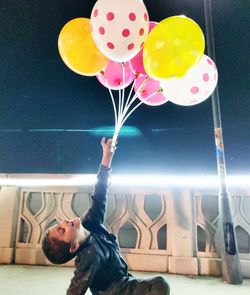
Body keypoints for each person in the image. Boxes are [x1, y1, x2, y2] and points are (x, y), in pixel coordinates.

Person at [42, 138, 170, 295]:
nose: (63, 222)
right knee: (159, 285)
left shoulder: (90, 222)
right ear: (74, 246)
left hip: (125, 281)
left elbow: (100, 194)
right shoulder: (88, 257)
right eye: (62, 230)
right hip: (118, 291)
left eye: (59, 225)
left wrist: (106, 158)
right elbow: (75, 290)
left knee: (157, 284)